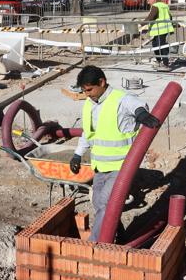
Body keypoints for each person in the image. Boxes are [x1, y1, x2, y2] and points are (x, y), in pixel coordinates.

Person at [69, 66, 161, 242]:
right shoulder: (90, 104)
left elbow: (137, 105)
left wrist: (141, 114)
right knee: (97, 204)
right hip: (100, 166)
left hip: (121, 166)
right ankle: (120, 234)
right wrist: (77, 155)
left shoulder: (119, 99)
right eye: (84, 91)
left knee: (105, 204)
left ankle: (95, 243)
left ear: (102, 82)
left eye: (89, 89)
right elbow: (87, 133)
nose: (87, 94)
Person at [144, 0, 175, 69]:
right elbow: (170, 16)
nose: (148, 3)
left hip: (159, 30)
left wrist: (141, 24)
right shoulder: (164, 5)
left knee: (161, 46)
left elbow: (150, 17)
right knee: (156, 45)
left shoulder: (155, 6)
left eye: (149, 0)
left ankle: (165, 64)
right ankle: (159, 61)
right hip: (164, 29)